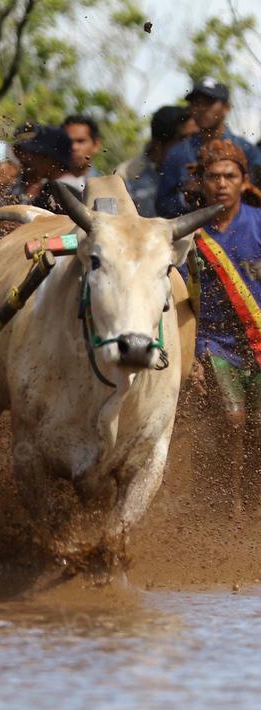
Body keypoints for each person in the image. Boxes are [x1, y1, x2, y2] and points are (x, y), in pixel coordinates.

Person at [183, 140, 261, 512]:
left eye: (230, 176)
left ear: (244, 181)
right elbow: (180, 298)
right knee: (232, 420)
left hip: (256, 341)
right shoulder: (189, 236)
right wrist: (191, 355)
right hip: (213, 343)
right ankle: (228, 505)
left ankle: (253, 501)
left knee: (257, 427)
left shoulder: (258, 225)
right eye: (213, 176)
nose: (221, 184)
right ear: (201, 183)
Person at [157, 78, 261, 217]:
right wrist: (187, 198)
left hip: (240, 227)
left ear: (226, 108)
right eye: (196, 103)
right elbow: (162, 206)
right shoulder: (178, 153)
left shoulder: (247, 150)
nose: (202, 108)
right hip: (192, 229)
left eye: (209, 103)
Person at [114, 106, 195, 217]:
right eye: (182, 139)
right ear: (159, 144)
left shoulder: (196, 169)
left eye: (193, 137)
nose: (189, 145)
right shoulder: (127, 174)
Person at [12, 124, 81, 214]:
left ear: (51, 159)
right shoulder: (55, 188)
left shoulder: (61, 193)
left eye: (36, 154)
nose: (30, 158)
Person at [62, 114, 103, 187]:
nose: (74, 147)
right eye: (67, 141)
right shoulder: (48, 185)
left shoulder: (106, 187)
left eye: (80, 141)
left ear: (96, 145)